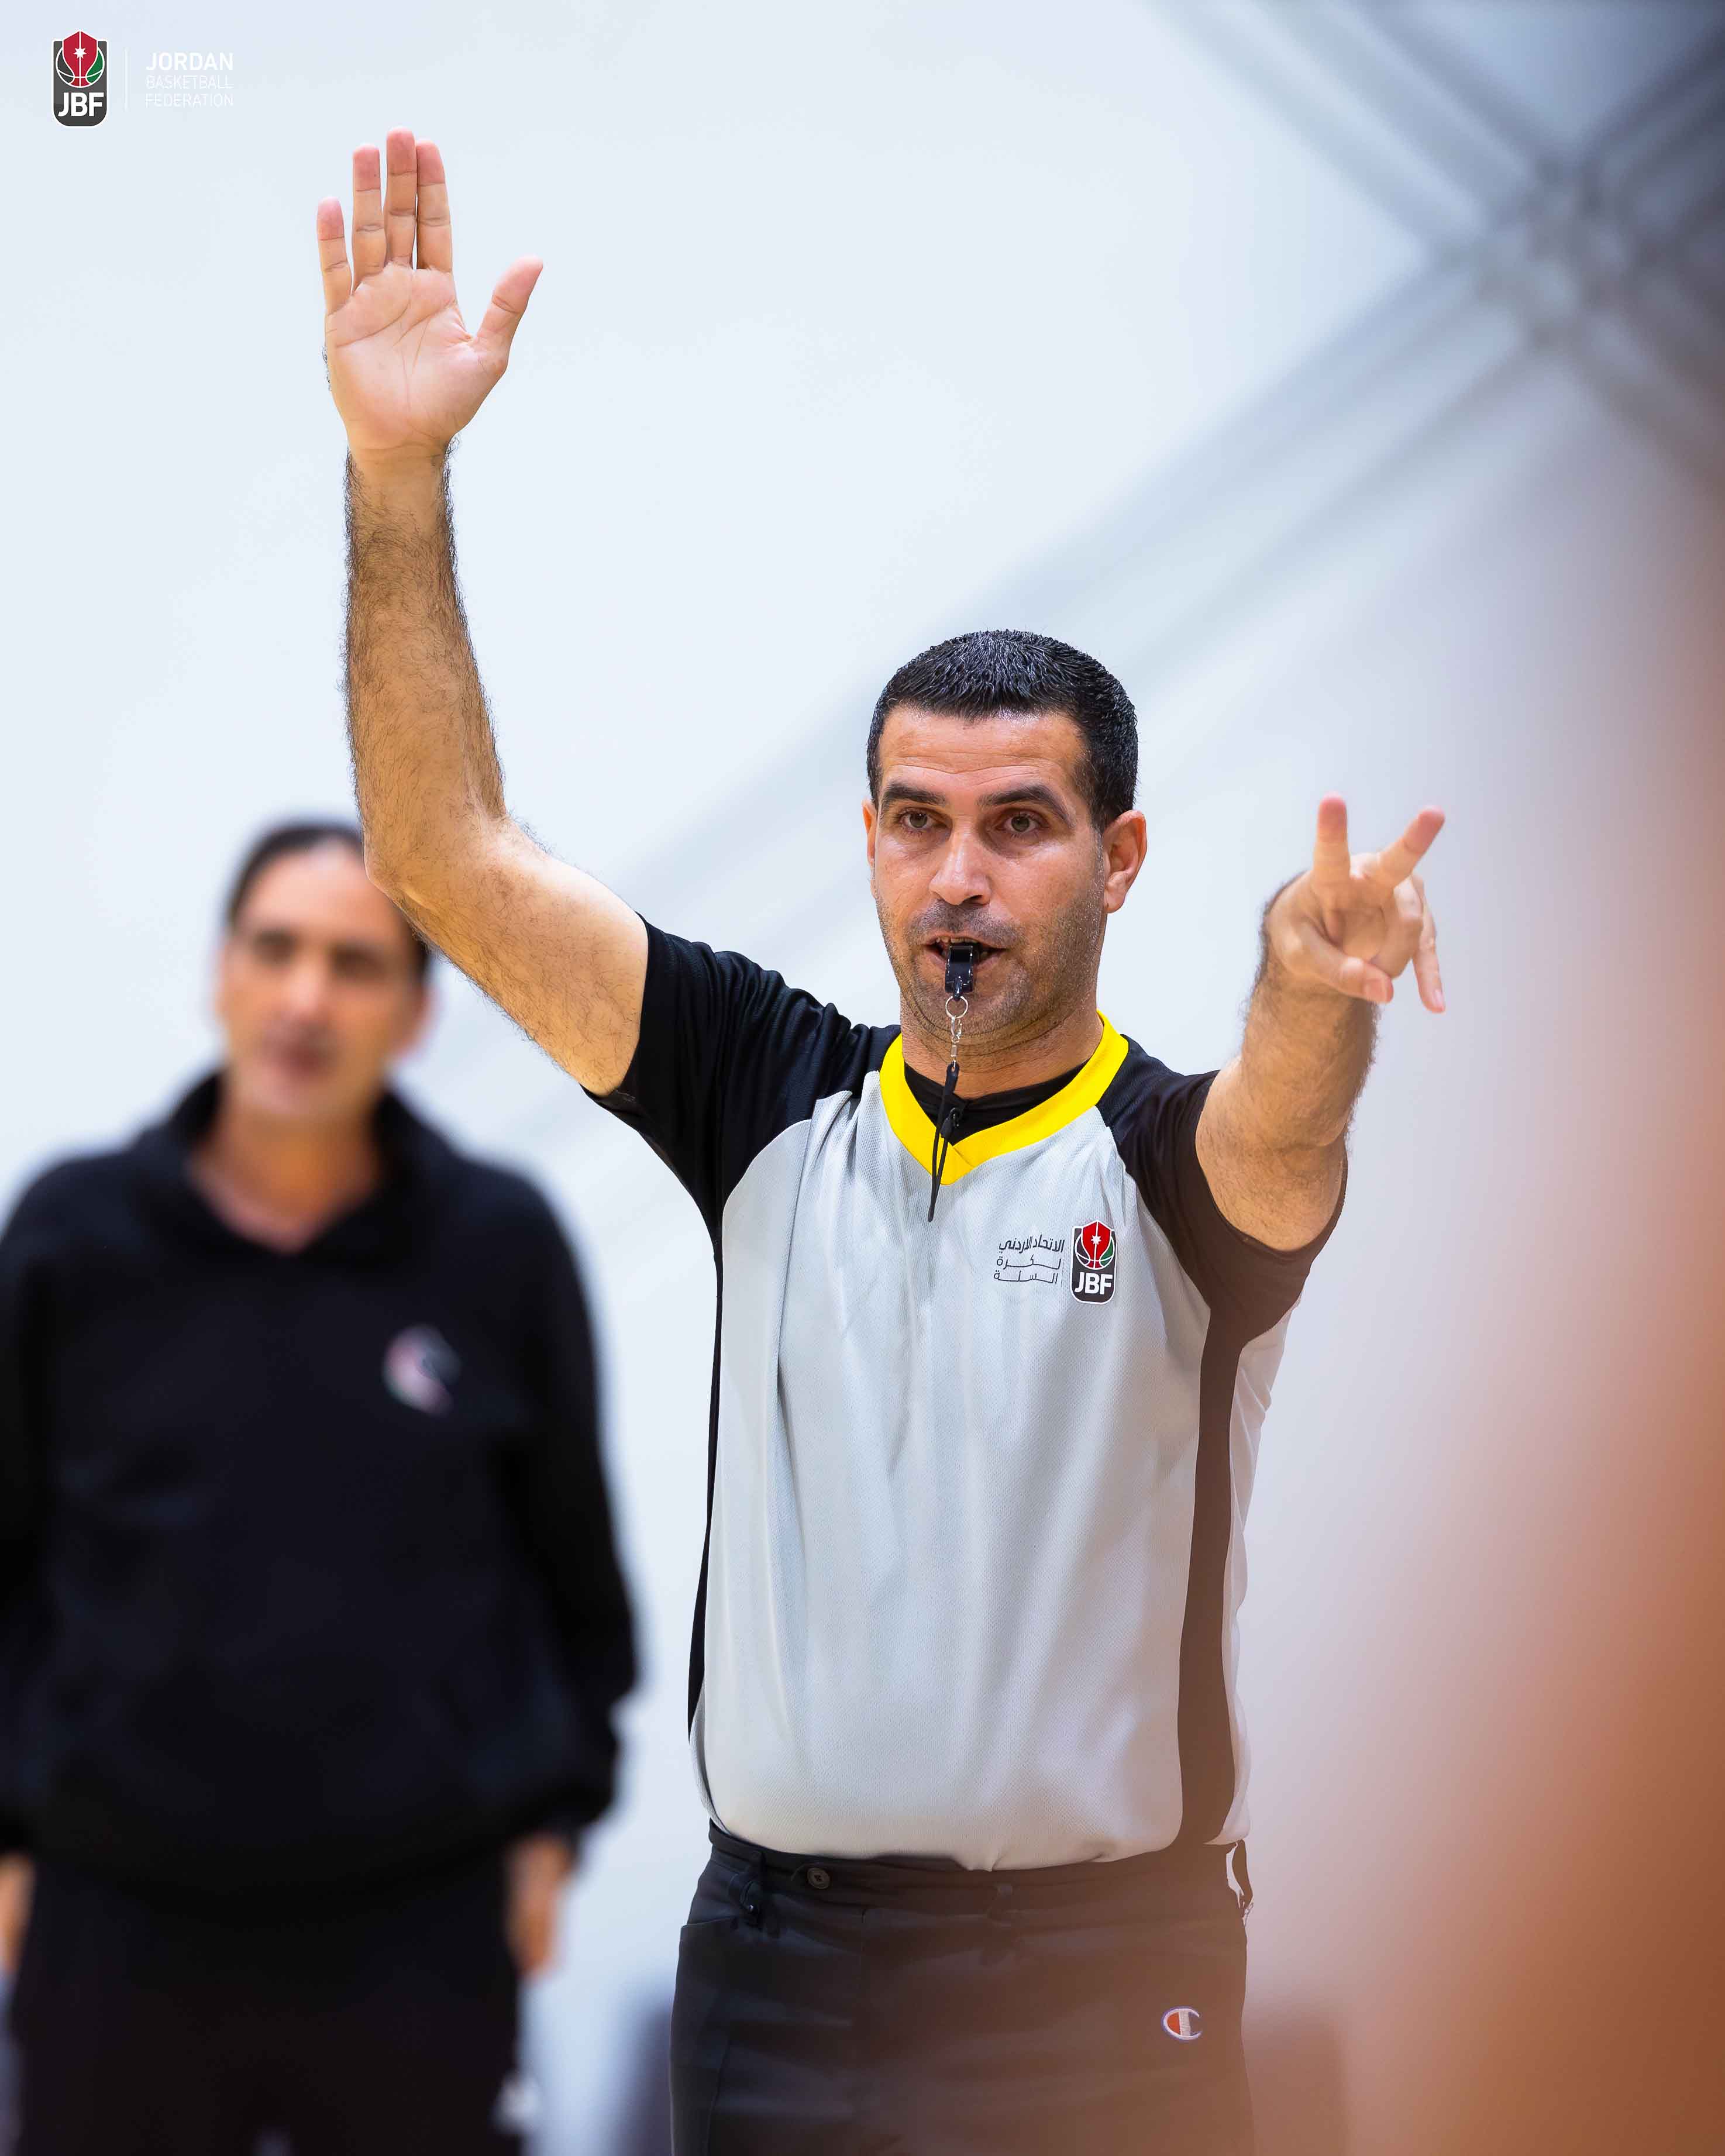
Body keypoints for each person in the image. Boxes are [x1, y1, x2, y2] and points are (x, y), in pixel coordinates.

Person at [316, 132, 1445, 2155]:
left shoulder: (1173, 1167)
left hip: (1101, 1975)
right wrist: (398, 475)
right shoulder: (763, 1088)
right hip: (782, 1961)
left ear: (1118, 856)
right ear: (867, 839)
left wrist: (1308, 981)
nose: (959, 874)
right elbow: (444, 855)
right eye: (916, 820)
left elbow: (1286, 1123)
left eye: (1018, 824)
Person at [0, 821, 636, 2155]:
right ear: (220, 974)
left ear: (415, 1013)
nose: (305, 998)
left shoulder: (497, 1246)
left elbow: (576, 1577)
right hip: (117, 1915)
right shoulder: (70, 1237)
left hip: (417, 1924)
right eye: (275, 949)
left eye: (354, 965)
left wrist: (553, 1828)